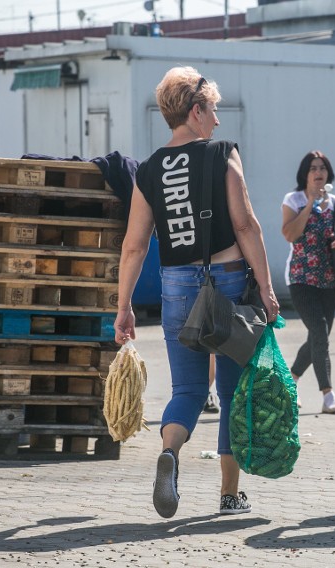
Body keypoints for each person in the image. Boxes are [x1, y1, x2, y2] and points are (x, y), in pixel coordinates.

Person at [113, 66, 279, 518]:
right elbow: (245, 224)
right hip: (227, 283)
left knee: (187, 388)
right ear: (195, 110)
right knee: (230, 393)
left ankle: (169, 455)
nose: (218, 121)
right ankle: (228, 497)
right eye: (213, 110)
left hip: (176, 286)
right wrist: (265, 287)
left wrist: (124, 306)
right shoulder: (222, 153)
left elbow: (134, 245)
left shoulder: (148, 170)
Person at [281, 151, 335, 414]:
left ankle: (291, 381)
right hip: (301, 277)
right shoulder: (294, 200)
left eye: (322, 168)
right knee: (320, 332)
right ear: (305, 173)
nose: (318, 172)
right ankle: (328, 395)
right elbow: (289, 234)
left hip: (329, 279)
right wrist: (309, 204)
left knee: (318, 337)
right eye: (313, 168)